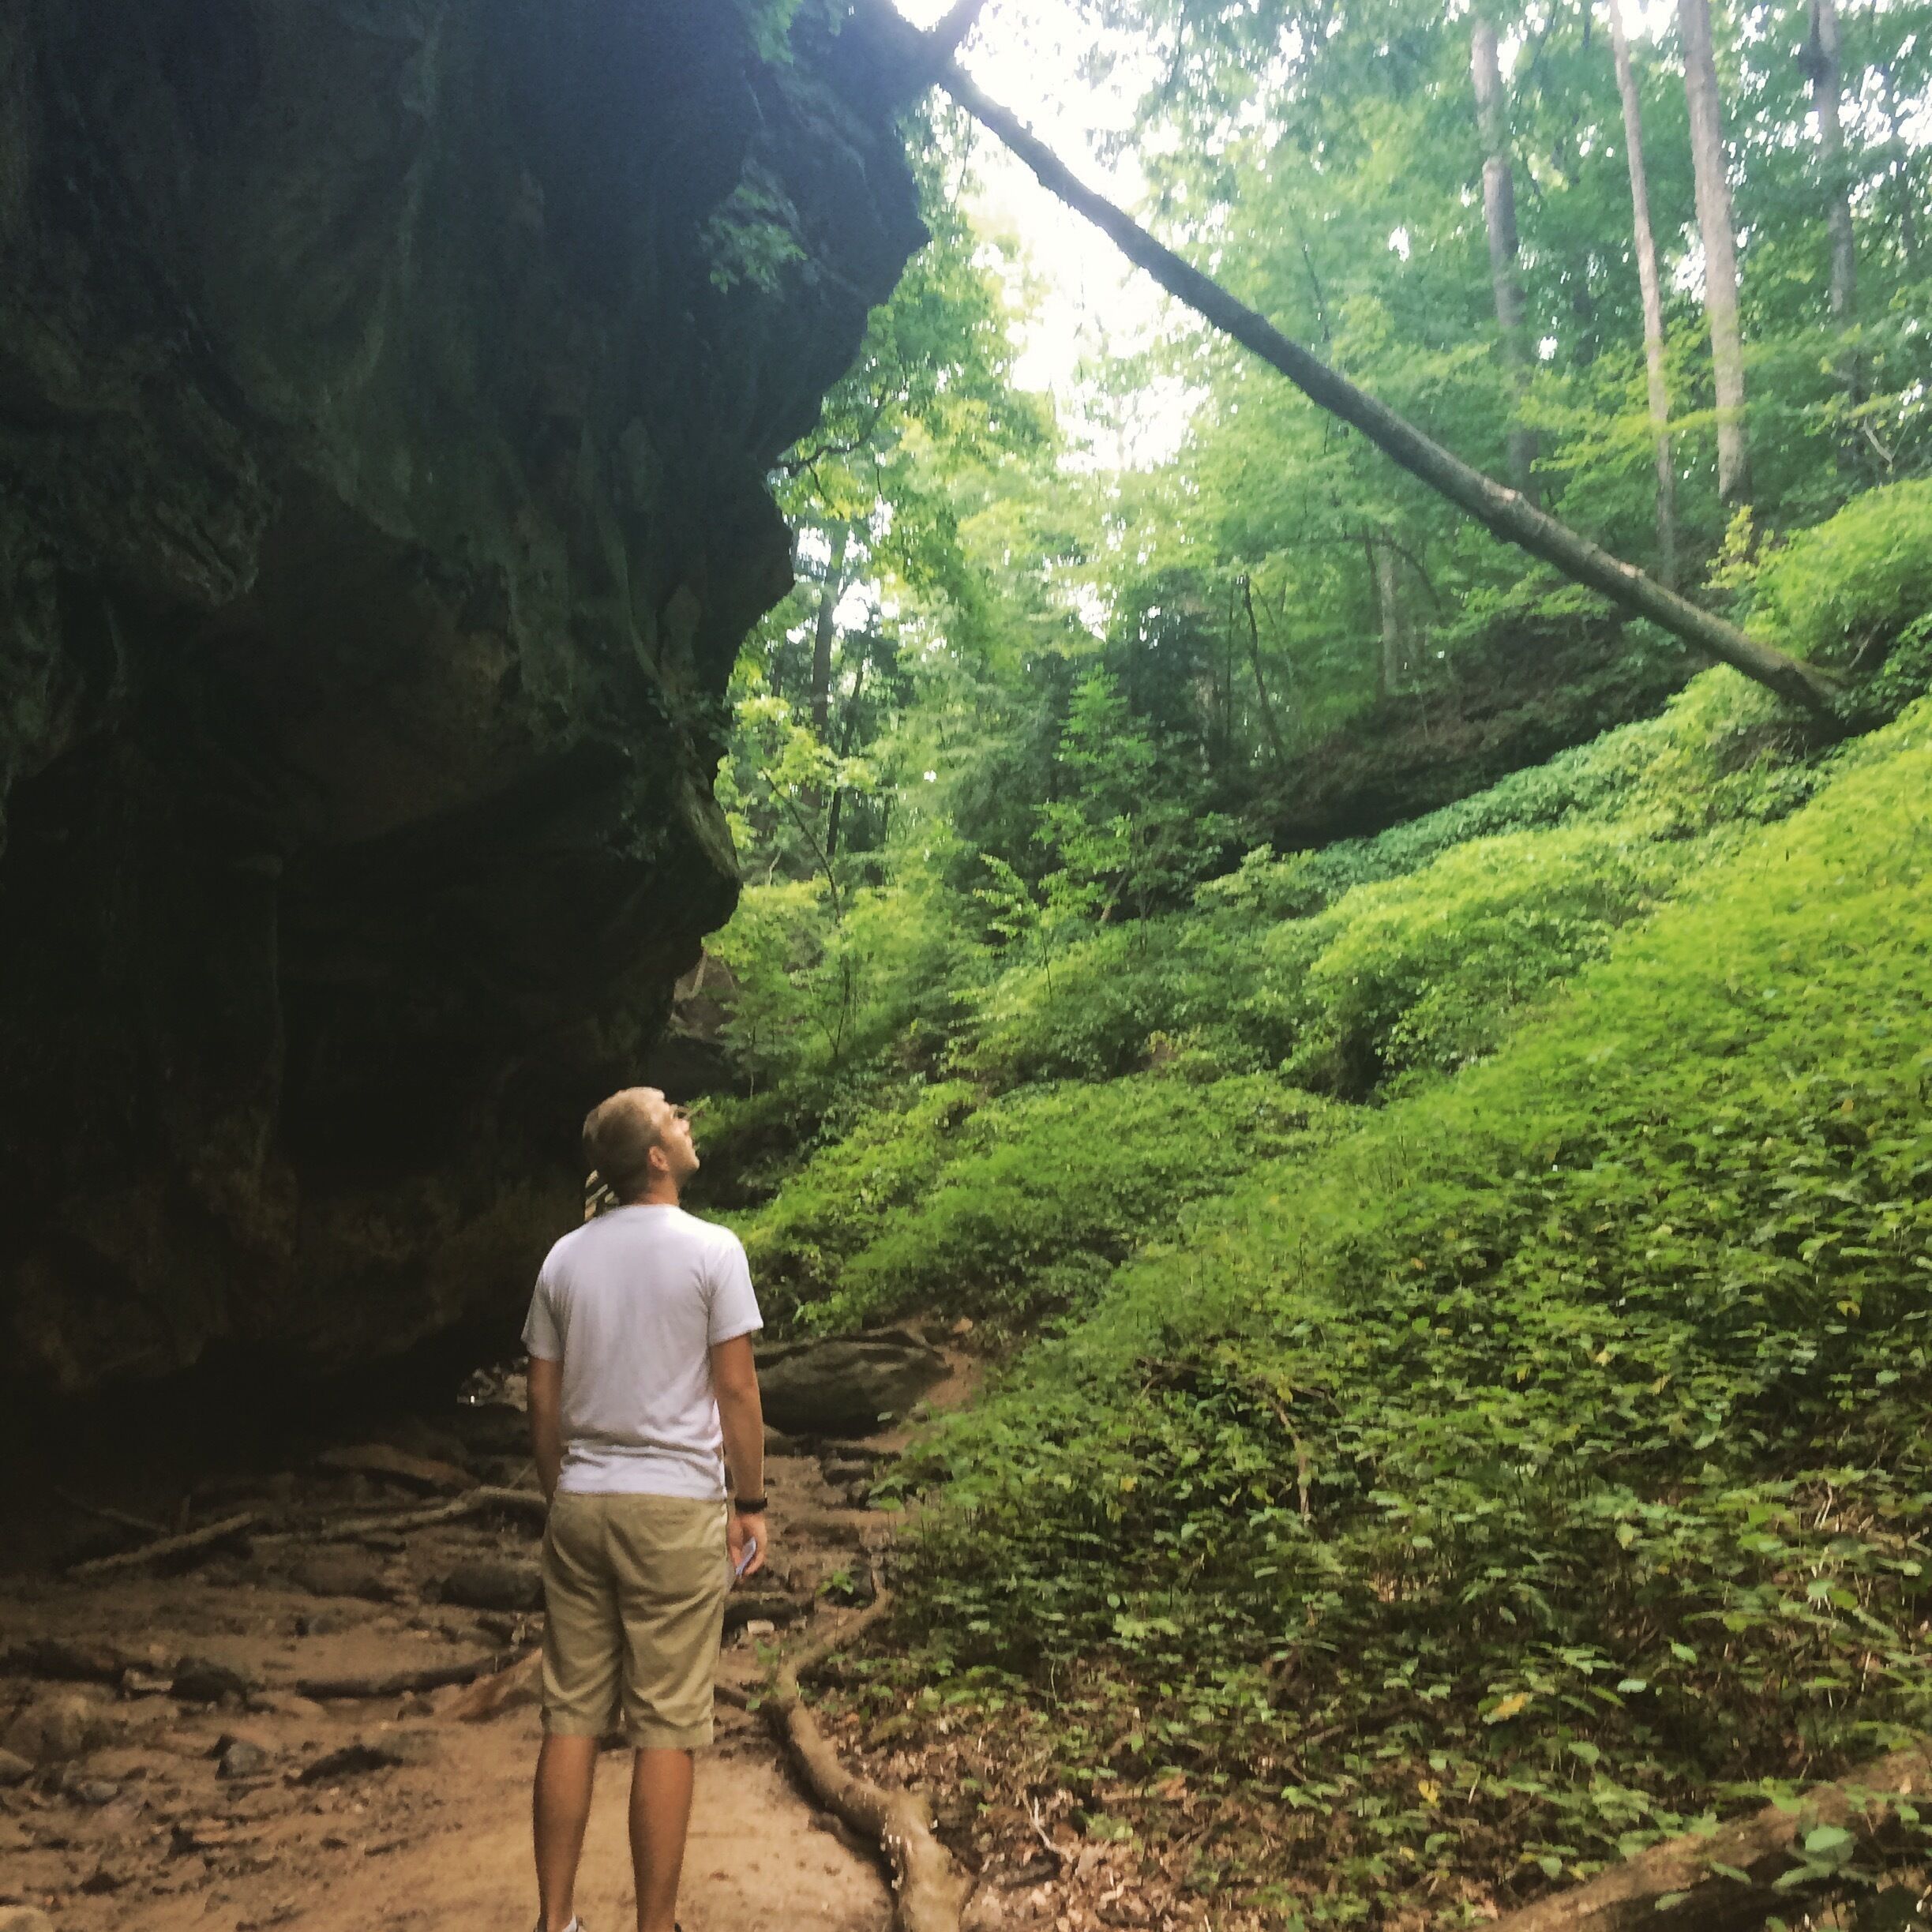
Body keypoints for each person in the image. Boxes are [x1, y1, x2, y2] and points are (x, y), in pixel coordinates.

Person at [522, 1086, 769, 1932]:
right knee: (666, 1722)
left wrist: (562, 1489)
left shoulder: (563, 1257)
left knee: (571, 1714)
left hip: (583, 1501)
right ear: (655, 1157)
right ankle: (653, 1926)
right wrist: (752, 1501)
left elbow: (541, 1395)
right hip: (673, 1507)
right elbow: (735, 1386)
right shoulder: (712, 1250)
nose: (686, 1116)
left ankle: (555, 1923)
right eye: (672, 1114)